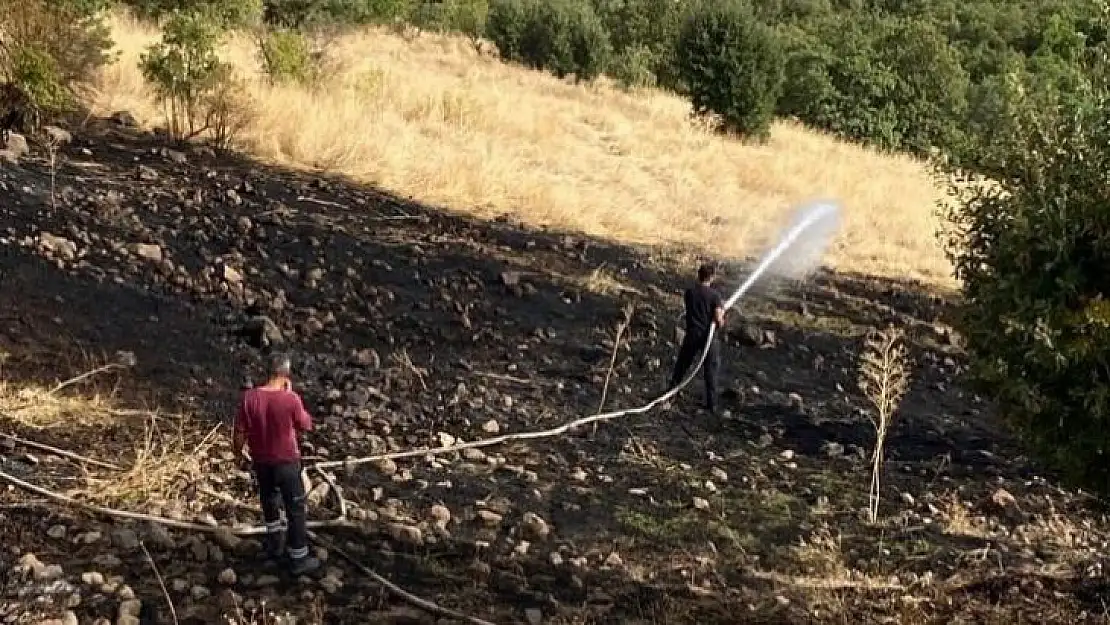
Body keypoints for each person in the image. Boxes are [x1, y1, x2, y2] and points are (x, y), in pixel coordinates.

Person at [232, 352, 321, 576]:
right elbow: (305, 424)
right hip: (286, 462)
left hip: (262, 461)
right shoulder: (290, 399)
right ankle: (298, 556)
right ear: (285, 375)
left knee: (269, 501)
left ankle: (274, 546)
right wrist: (290, 394)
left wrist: (237, 453)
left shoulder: (249, 398)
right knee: (295, 508)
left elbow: (239, 432)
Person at [669, 262, 727, 415]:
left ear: (698, 275)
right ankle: (711, 404)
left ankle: (670, 393)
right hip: (708, 337)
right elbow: (718, 321)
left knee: (682, 364)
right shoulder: (715, 296)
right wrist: (721, 314)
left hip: (692, 334)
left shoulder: (690, 292)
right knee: (711, 370)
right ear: (712, 277)